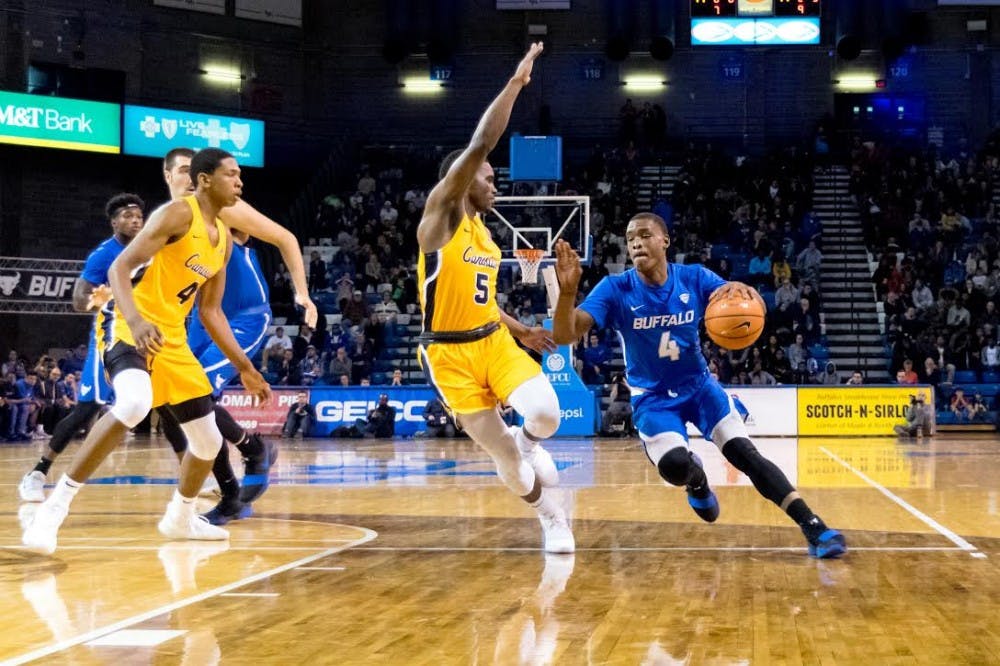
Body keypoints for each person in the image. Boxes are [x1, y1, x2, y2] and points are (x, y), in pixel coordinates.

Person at [552, 212, 846, 559]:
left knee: (745, 455)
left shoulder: (694, 277)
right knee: (676, 465)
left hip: (699, 387)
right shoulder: (615, 288)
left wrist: (746, 294)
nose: (635, 243)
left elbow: (736, 299)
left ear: (665, 242)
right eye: (630, 238)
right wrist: (568, 291)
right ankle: (697, 481)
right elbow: (564, 334)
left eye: (645, 235)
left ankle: (813, 525)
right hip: (654, 398)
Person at [23, 148, 271, 555]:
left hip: (172, 340)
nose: (240, 182)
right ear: (205, 179)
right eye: (231, 174)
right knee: (136, 402)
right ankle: (53, 509)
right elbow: (120, 268)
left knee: (208, 443)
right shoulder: (177, 214)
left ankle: (179, 517)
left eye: (240, 175)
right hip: (128, 326)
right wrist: (136, 322)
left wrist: (246, 367)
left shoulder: (223, 241)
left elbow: (210, 312)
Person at [415, 42, 573, 553]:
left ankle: (530, 444)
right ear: (461, 180)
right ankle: (550, 518)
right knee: (504, 455)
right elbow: (482, 143)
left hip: (493, 341)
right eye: (487, 177)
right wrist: (516, 83)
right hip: (447, 355)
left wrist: (518, 326)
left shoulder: (484, 233)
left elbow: (477, 297)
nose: (495, 181)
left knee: (546, 414)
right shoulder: (441, 217)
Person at [156, 146, 317, 525]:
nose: (188, 176)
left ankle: (251, 450)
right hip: (201, 317)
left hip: (245, 316)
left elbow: (287, 238)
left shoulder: (223, 208)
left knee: (196, 395)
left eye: (191, 169)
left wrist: (302, 292)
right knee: (166, 398)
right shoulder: (171, 219)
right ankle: (202, 475)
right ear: (169, 176)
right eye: (180, 170)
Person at [17, 195, 145, 502]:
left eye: (139, 216)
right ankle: (38, 472)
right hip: (110, 335)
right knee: (87, 408)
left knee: (171, 405)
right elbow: (78, 302)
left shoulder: (149, 248)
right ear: (114, 222)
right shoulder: (104, 255)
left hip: (144, 334)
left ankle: (195, 484)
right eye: (128, 216)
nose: (136, 221)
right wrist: (110, 294)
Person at [601, 372, 634, 437]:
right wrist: (623, 383)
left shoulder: (618, 384)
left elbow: (613, 396)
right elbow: (632, 391)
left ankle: (605, 430)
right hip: (627, 406)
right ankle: (629, 430)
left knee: (609, 413)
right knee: (630, 413)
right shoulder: (628, 384)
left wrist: (616, 384)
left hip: (619, 405)